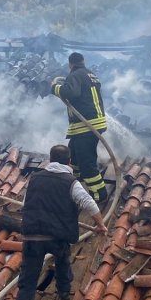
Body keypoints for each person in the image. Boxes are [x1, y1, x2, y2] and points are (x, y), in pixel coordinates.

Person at [8, 145, 107, 300]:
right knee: (62, 260)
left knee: (27, 285)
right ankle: (63, 291)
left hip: (32, 237)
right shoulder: (71, 182)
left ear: (51, 159)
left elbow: (27, 203)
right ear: (69, 162)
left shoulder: (35, 179)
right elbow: (89, 203)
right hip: (57, 237)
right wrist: (101, 225)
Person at [50, 52, 109, 203]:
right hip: (90, 124)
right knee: (73, 156)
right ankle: (72, 184)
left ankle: (99, 194)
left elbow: (71, 93)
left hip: (86, 126)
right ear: (83, 61)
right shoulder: (90, 74)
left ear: (70, 64)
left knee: (86, 161)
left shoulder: (75, 75)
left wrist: (55, 88)